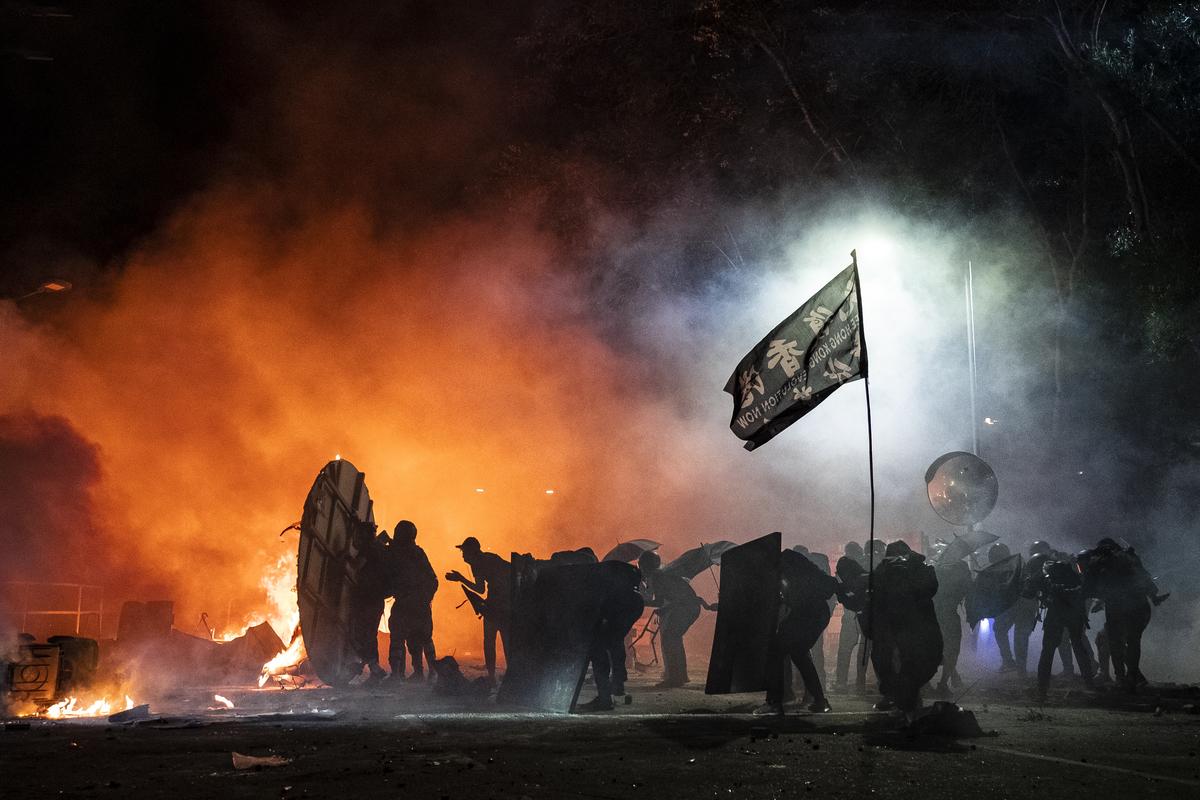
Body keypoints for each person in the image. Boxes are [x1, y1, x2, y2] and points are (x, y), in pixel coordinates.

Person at [756, 548, 839, 715]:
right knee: (799, 654)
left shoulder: (783, 565)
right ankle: (820, 701)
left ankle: (774, 702)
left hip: (805, 613)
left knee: (776, 651)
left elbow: (780, 597)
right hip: (817, 613)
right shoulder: (798, 563)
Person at [1079, 538, 1168, 692]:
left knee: (1115, 642)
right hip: (1139, 605)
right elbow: (1144, 578)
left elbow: (1088, 588)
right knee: (1133, 642)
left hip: (1117, 606)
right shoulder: (1129, 557)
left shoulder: (1098, 561)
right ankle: (1132, 676)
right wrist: (1154, 596)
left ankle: (1121, 678)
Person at [868, 541, 942, 715]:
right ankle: (895, 696)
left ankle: (909, 701)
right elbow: (875, 594)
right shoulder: (883, 571)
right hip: (891, 627)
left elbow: (930, 589)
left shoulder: (919, 569)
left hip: (915, 626)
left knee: (912, 662)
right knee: (885, 659)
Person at [577, 561, 645, 712]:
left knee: (598, 649)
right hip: (635, 601)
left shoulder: (593, 570)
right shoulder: (619, 568)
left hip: (622, 602)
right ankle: (618, 685)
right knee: (615, 640)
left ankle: (604, 698)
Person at [445, 536, 512, 684]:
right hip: (505, 603)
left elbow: (480, 589)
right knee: (506, 640)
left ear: (472, 552)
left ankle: (492, 676)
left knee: (489, 640)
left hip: (496, 605)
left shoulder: (478, 564)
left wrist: (461, 578)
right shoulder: (490, 557)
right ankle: (511, 674)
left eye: (464, 552)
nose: (462, 555)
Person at [1028, 557, 1095, 701]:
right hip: (1075, 611)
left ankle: (1042, 689)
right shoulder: (1066, 571)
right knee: (1078, 645)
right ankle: (1089, 683)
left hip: (1056, 613)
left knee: (1048, 650)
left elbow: (1028, 592)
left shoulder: (1043, 573)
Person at [638, 550, 704, 688]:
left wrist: (639, 601)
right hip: (690, 606)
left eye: (641, 565)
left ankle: (675, 678)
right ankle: (680, 676)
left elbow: (659, 601)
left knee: (670, 638)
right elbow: (674, 598)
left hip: (687, 607)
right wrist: (664, 610)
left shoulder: (657, 577)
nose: (640, 568)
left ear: (646, 565)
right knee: (674, 639)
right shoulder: (661, 574)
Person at [385, 520, 438, 682]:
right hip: (420, 604)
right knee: (422, 637)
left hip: (407, 603)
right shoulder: (418, 553)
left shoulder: (396, 553)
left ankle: (396, 675)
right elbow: (433, 580)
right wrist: (425, 599)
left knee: (398, 637)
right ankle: (425, 673)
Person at [988, 542, 1037, 676]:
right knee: (1018, 636)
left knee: (1002, 631)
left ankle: (1010, 662)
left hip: (1015, 605)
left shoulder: (1005, 567)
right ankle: (1018, 667)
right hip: (1024, 605)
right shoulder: (1019, 561)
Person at [930, 543, 971, 694]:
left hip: (931, 614)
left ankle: (946, 678)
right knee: (952, 648)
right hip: (947, 614)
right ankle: (943, 683)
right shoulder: (960, 567)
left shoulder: (934, 567)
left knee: (935, 648)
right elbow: (968, 588)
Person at [353, 527, 392, 685]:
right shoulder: (381, 550)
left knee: (363, 635)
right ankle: (372, 667)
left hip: (366, 599)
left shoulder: (368, 550)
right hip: (376, 599)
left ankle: (374, 668)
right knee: (369, 634)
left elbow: (357, 566)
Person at [834, 542, 871, 693]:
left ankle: (841, 682)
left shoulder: (844, 566)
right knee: (863, 649)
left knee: (846, 650)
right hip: (860, 613)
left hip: (851, 613)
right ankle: (859, 684)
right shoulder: (861, 566)